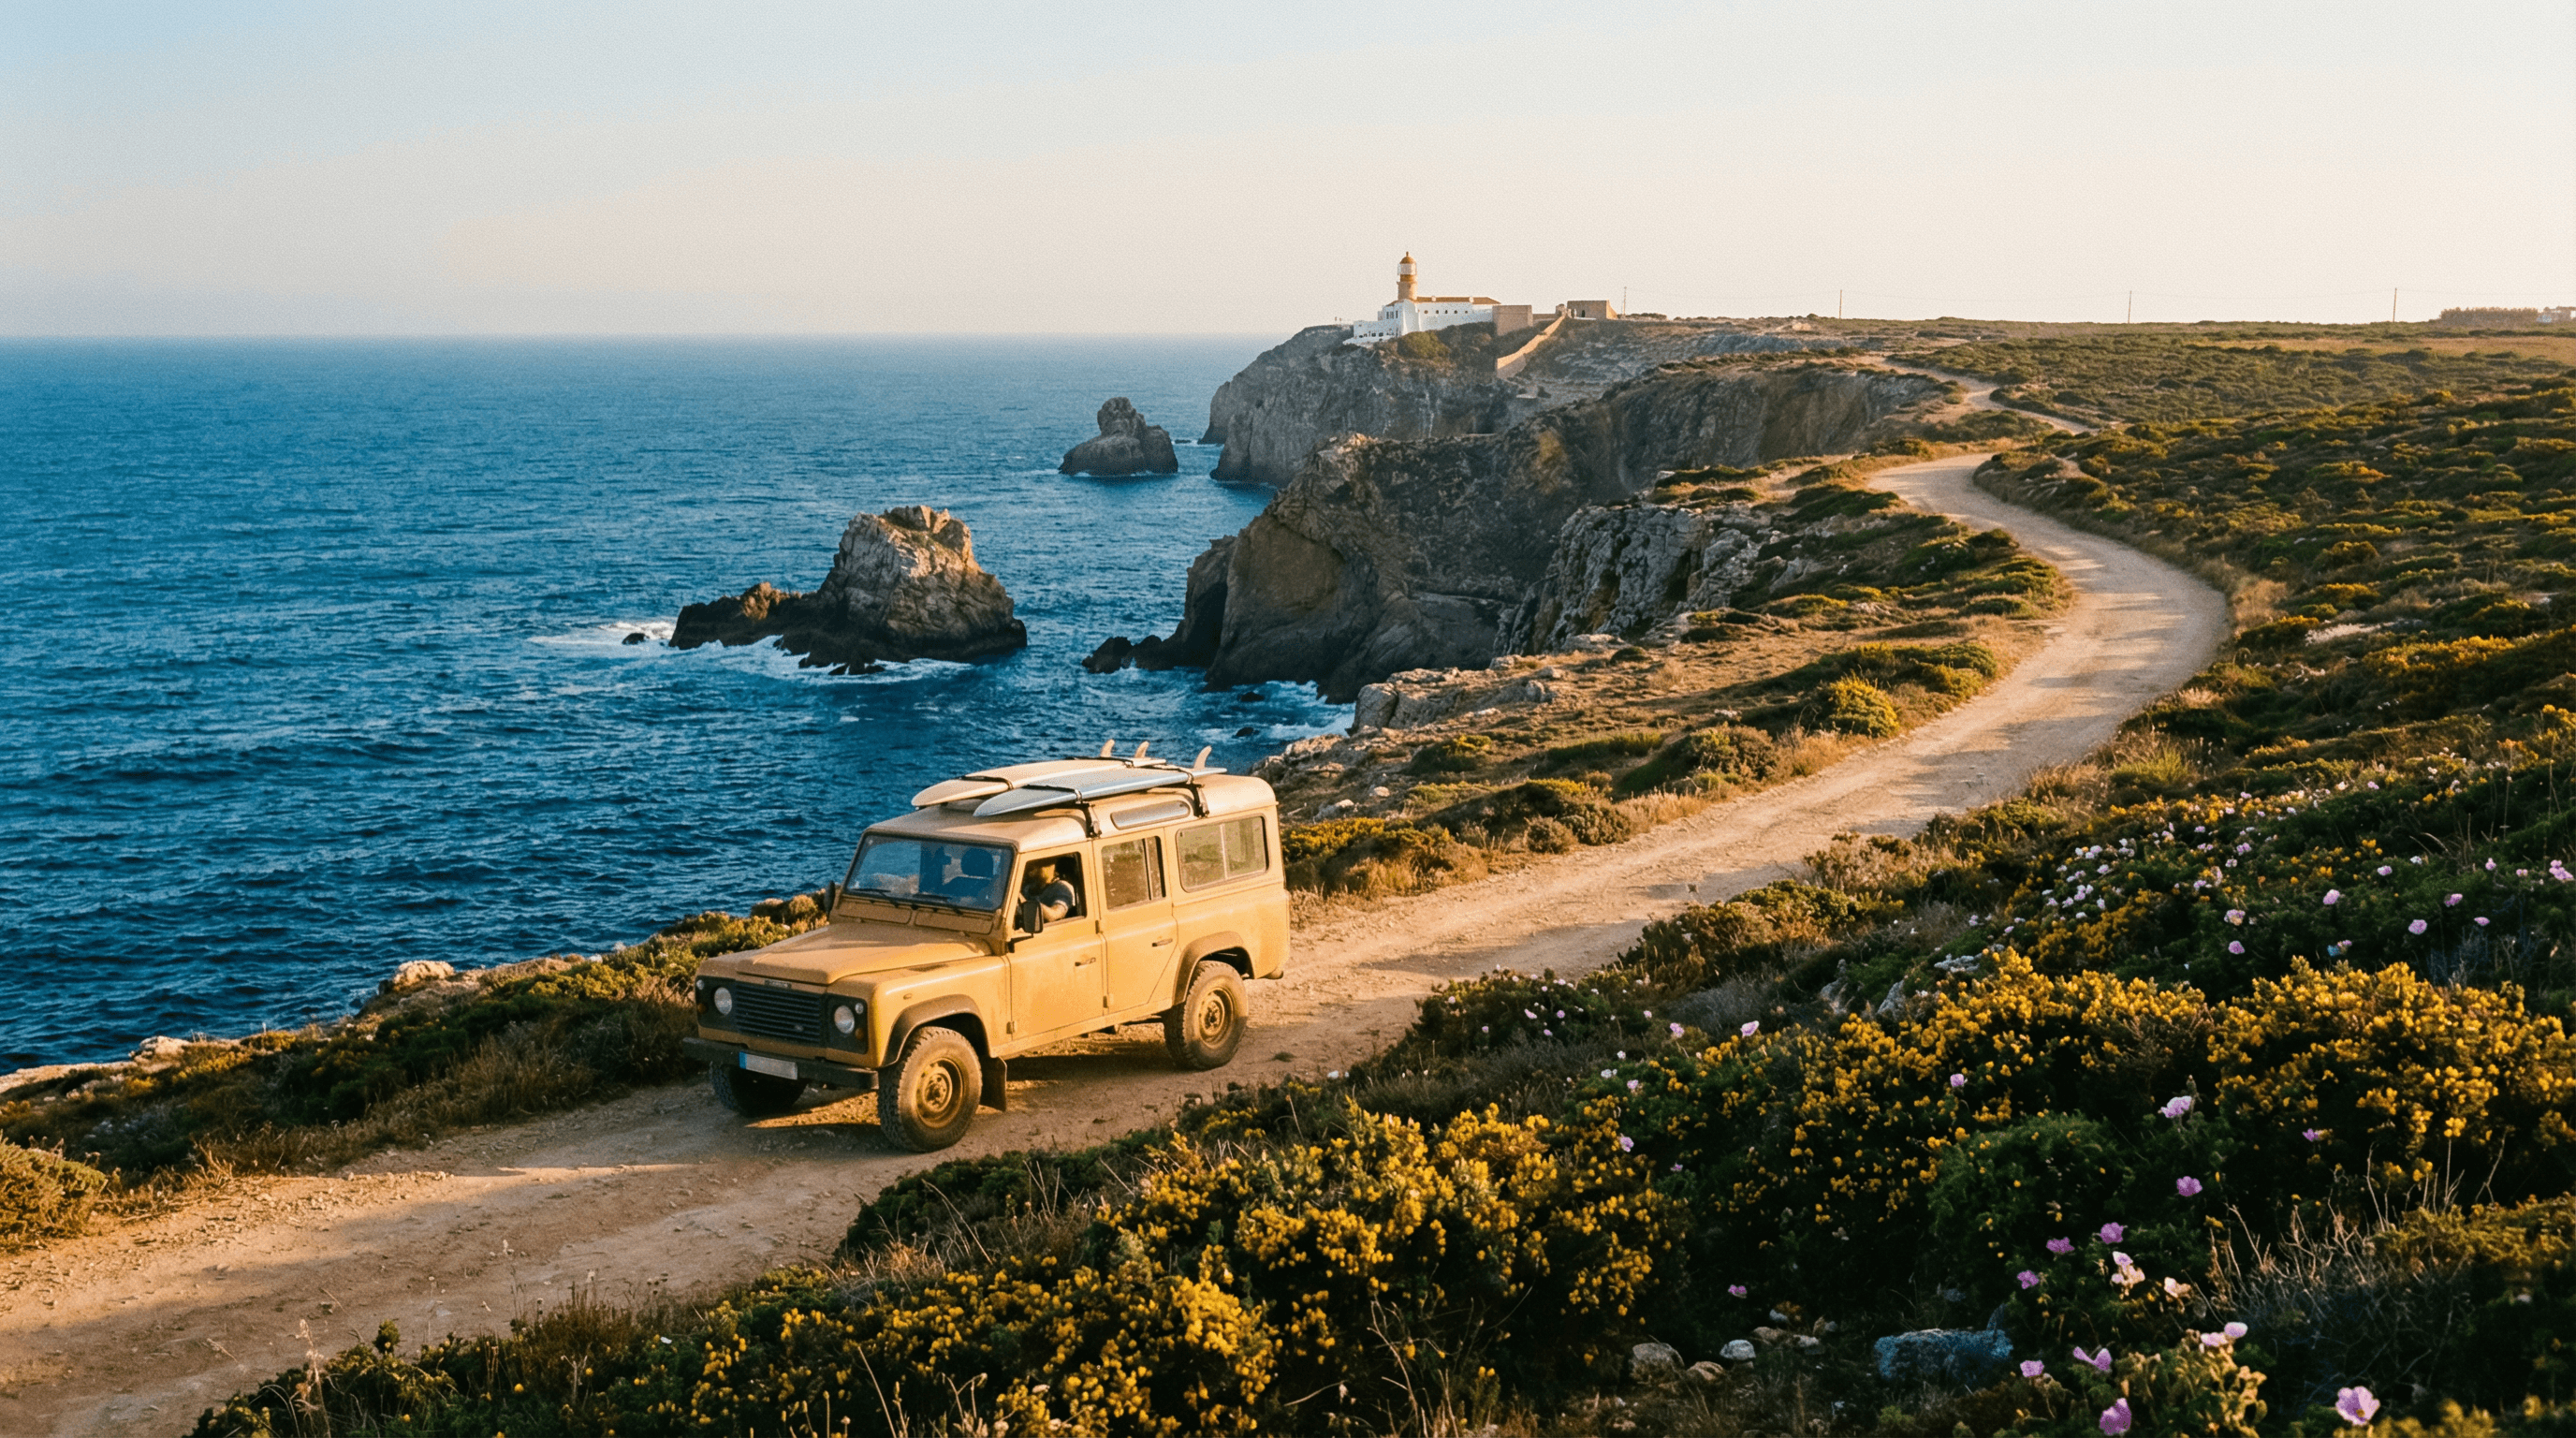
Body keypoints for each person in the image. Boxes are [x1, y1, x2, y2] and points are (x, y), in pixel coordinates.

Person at [1023, 860, 1078, 925]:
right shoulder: (1029, 887)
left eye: (1040, 864)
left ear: (1053, 867)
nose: (1034, 867)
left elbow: (1053, 916)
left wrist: (1025, 903)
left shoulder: (1062, 888)